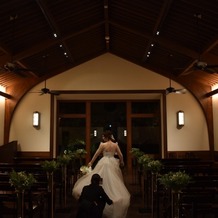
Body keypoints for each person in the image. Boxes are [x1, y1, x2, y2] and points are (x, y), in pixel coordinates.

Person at [72, 130, 130, 218]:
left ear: (107, 137)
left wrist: (91, 162)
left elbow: (96, 154)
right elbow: (120, 155)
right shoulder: (115, 145)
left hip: (104, 162)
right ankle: (111, 196)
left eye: (103, 136)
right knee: (113, 179)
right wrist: (122, 162)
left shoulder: (103, 145)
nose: (102, 138)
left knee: (101, 176)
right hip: (112, 163)